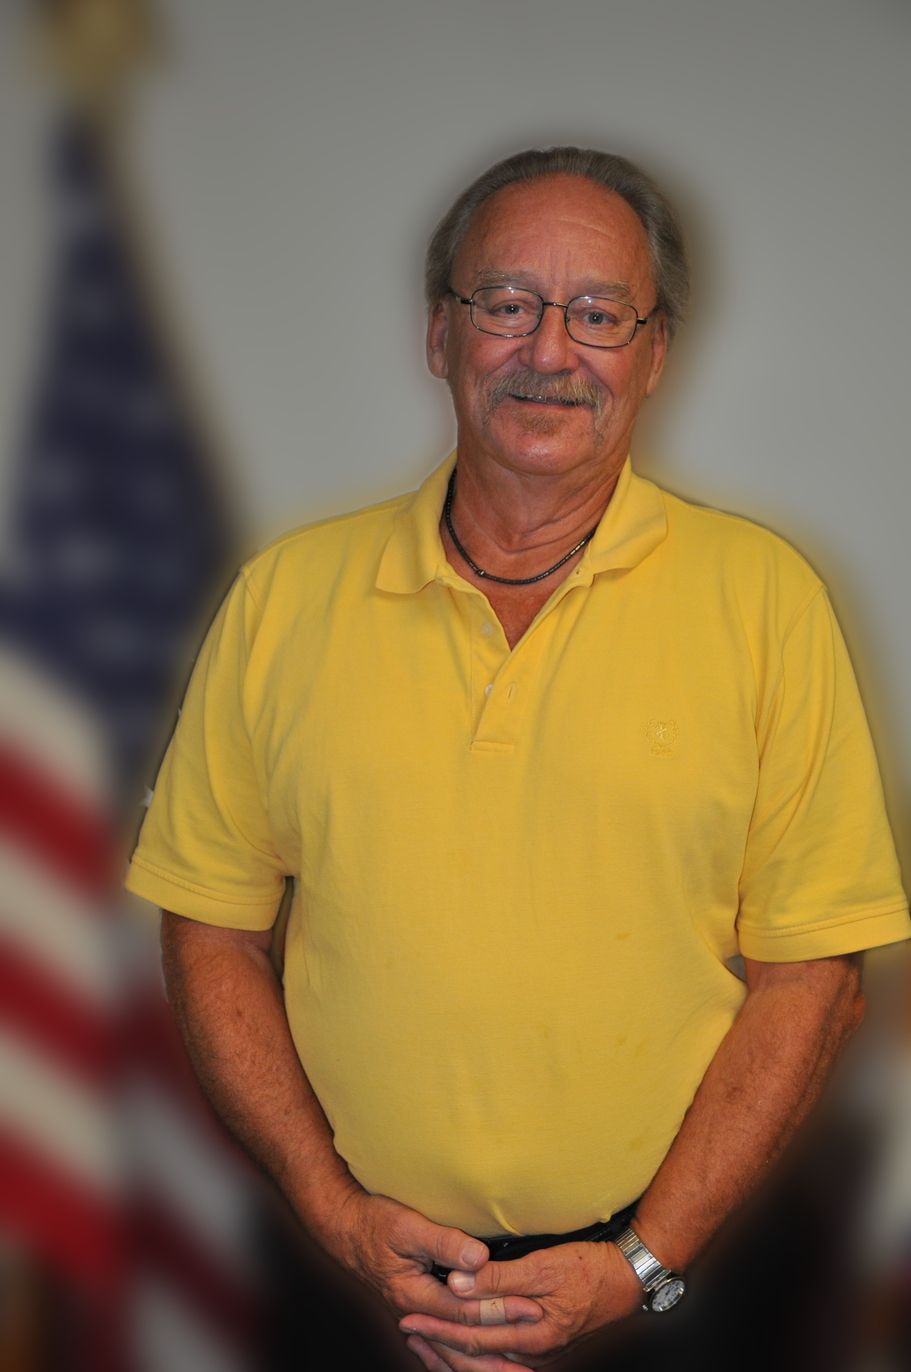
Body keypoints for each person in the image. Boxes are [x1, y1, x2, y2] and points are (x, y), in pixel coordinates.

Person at [125, 146, 909, 1372]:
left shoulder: (766, 604)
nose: (549, 350)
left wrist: (638, 1262)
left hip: (670, 1298)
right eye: (506, 303)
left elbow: (810, 976)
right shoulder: (286, 597)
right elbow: (210, 926)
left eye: (598, 313)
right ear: (439, 335)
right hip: (353, 1281)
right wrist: (333, 1213)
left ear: (654, 354)